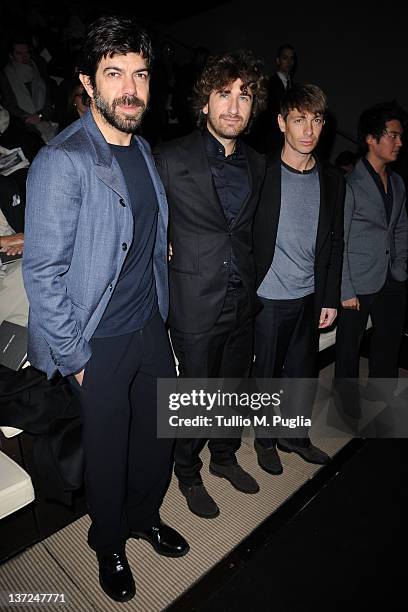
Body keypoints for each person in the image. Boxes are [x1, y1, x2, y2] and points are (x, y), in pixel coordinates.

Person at [22, 15, 188, 604]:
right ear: (88, 83)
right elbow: (42, 271)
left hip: (148, 324)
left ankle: (144, 517)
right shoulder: (62, 160)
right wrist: (75, 357)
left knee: (158, 435)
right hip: (99, 341)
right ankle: (109, 539)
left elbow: (140, 237)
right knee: (109, 450)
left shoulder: (143, 150)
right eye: (114, 73)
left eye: (140, 74)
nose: (131, 89)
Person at [154, 50, 268, 519]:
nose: (234, 107)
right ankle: (187, 472)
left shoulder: (259, 164)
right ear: (205, 102)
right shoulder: (170, 155)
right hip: (194, 299)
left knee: (234, 388)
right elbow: (144, 216)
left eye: (244, 97)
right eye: (224, 94)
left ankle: (223, 457)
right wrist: (162, 243)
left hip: (244, 297)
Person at [253, 83, 345, 473]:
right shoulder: (261, 171)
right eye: (299, 119)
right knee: (267, 374)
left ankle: (294, 436)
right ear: (281, 123)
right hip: (268, 296)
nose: (309, 130)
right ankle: (265, 439)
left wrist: (329, 296)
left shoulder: (332, 180)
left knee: (302, 375)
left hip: (309, 294)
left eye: (317, 120)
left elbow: (335, 242)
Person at [335, 102, 407, 390]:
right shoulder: (350, 183)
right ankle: (344, 409)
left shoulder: (398, 182)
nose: (399, 142)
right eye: (393, 135)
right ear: (370, 138)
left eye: (401, 136)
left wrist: (401, 267)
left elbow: (401, 227)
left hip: (392, 278)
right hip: (358, 283)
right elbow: (339, 238)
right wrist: (345, 289)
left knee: (388, 346)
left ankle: (383, 405)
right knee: (348, 352)